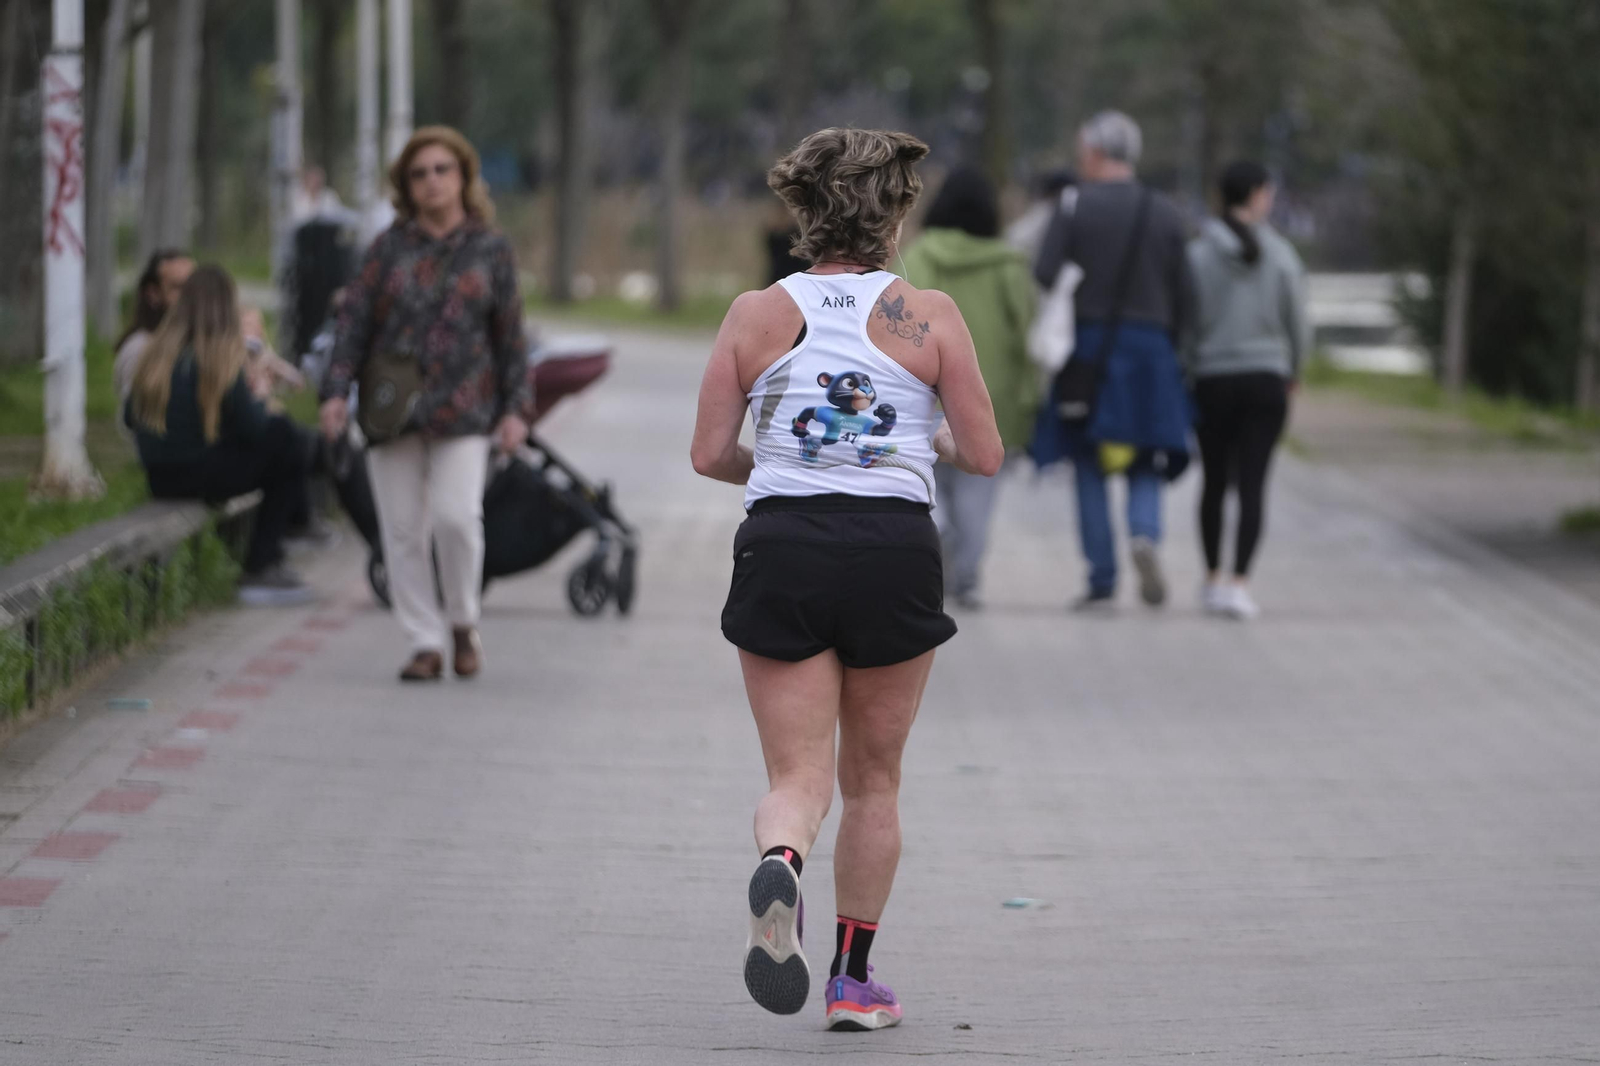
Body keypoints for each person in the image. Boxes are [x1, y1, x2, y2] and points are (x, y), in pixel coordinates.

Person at [691, 127, 1003, 1031]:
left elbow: (711, 453)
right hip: (893, 549)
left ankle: (781, 861)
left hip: (783, 542)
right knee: (875, 781)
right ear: (897, 210)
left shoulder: (754, 313)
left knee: (798, 776)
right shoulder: (930, 314)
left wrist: (792, 461)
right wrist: (915, 443)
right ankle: (852, 982)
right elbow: (982, 454)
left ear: (801, 209)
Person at [319, 126, 534, 683]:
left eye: (442, 170)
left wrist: (516, 410)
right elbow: (353, 326)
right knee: (401, 530)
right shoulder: (386, 250)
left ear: (463, 177)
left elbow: (511, 337)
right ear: (405, 187)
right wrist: (334, 394)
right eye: (419, 174)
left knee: (456, 519)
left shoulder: (491, 249)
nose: (432, 181)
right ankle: (424, 640)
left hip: (466, 408)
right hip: (392, 411)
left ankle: (463, 620)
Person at [1033, 110, 1196, 611]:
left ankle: (1102, 579)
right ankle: (1145, 535)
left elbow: (1043, 272)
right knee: (1147, 454)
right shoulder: (1163, 210)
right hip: (1150, 350)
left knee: (1087, 461)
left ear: (1098, 153)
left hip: (1090, 347)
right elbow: (1188, 295)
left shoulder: (1073, 204)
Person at [124, 266, 315, 606]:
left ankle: (289, 534)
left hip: (160, 478)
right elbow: (254, 428)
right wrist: (261, 396)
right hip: (201, 475)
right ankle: (262, 563)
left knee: (280, 439)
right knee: (287, 438)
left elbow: (129, 416)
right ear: (226, 307)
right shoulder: (220, 355)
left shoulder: (153, 354)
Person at [899, 166, 1038, 609]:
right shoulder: (1009, 265)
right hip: (991, 395)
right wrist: (1031, 393)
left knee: (927, 482)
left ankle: (933, 549)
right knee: (979, 488)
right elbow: (1028, 332)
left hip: (926, 391)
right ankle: (969, 576)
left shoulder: (918, 256)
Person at [1187, 160, 1309, 620]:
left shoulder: (1197, 255)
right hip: (1266, 379)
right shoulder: (1282, 254)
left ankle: (1212, 578)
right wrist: (1294, 367)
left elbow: (1187, 323)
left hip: (1212, 379)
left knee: (1215, 481)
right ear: (1258, 194)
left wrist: (1189, 368)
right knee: (1254, 483)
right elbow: (1298, 320)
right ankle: (1240, 583)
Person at [114, 249, 195, 403]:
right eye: (178, 287)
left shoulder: (201, 341)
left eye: (194, 286)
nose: (190, 295)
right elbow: (138, 417)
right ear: (153, 293)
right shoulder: (139, 349)